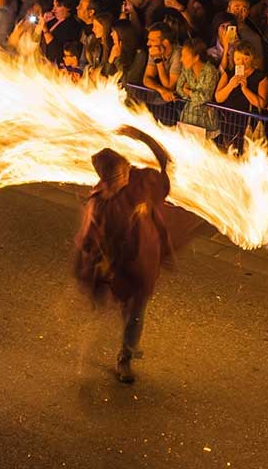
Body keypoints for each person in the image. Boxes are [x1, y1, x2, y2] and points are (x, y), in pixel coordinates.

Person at [72, 127, 198, 383]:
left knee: (135, 312)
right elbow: (88, 240)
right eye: (116, 176)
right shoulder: (99, 203)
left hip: (141, 265)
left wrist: (143, 137)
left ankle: (125, 357)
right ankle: (91, 349)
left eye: (123, 171)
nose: (123, 176)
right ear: (105, 180)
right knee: (107, 310)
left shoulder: (141, 182)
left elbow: (166, 164)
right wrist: (97, 264)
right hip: (114, 270)